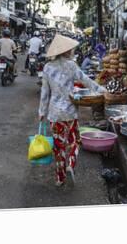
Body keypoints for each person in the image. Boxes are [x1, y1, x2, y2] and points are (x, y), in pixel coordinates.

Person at [39, 34, 106, 186]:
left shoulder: (47, 67)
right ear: (66, 51)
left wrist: (41, 112)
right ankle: (71, 162)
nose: (72, 51)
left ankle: (60, 178)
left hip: (54, 114)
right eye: (70, 49)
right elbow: (86, 80)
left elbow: (45, 93)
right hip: (69, 112)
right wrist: (101, 89)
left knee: (58, 146)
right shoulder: (72, 65)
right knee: (75, 140)